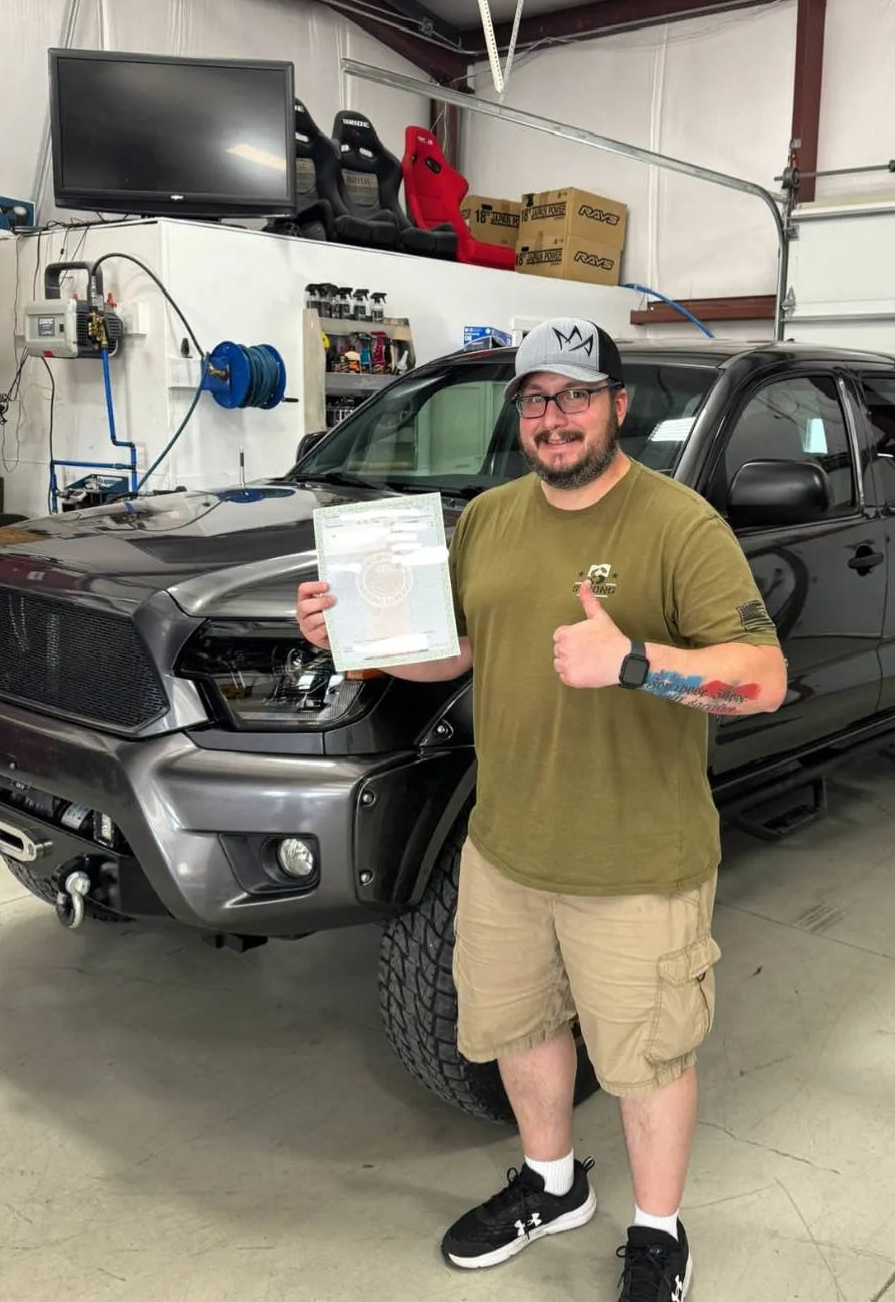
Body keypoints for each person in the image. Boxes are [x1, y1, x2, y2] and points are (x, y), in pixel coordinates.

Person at [297, 318, 786, 1299]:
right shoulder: (489, 519)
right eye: (534, 399)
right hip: (505, 850)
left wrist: (634, 661)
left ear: (617, 405)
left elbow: (762, 679)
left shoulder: (679, 525)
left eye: (575, 396)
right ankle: (553, 1183)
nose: (553, 417)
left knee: (647, 1060)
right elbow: (457, 652)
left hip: (637, 861)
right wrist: (354, 635)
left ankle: (658, 1232)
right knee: (520, 1027)